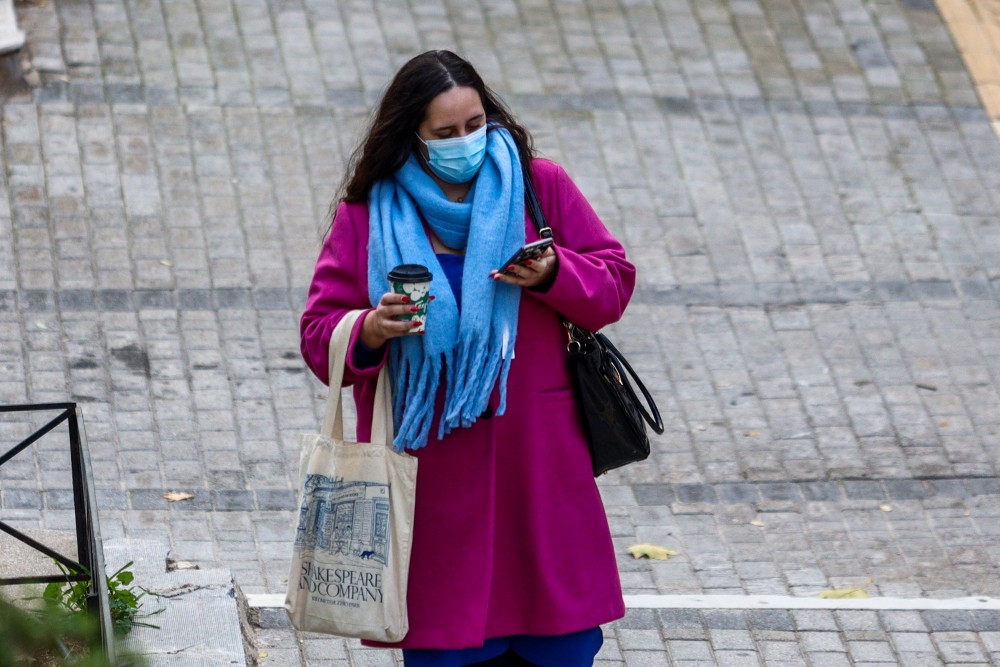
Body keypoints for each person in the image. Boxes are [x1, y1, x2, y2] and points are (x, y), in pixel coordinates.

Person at [300, 50, 635, 667]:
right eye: (446, 133)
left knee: (558, 644)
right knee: (448, 647)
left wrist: (556, 271)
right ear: (412, 135)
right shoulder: (367, 214)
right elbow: (321, 337)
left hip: (537, 470)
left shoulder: (541, 186)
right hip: (431, 483)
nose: (466, 142)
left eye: (475, 124)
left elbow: (613, 284)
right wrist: (372, 328)